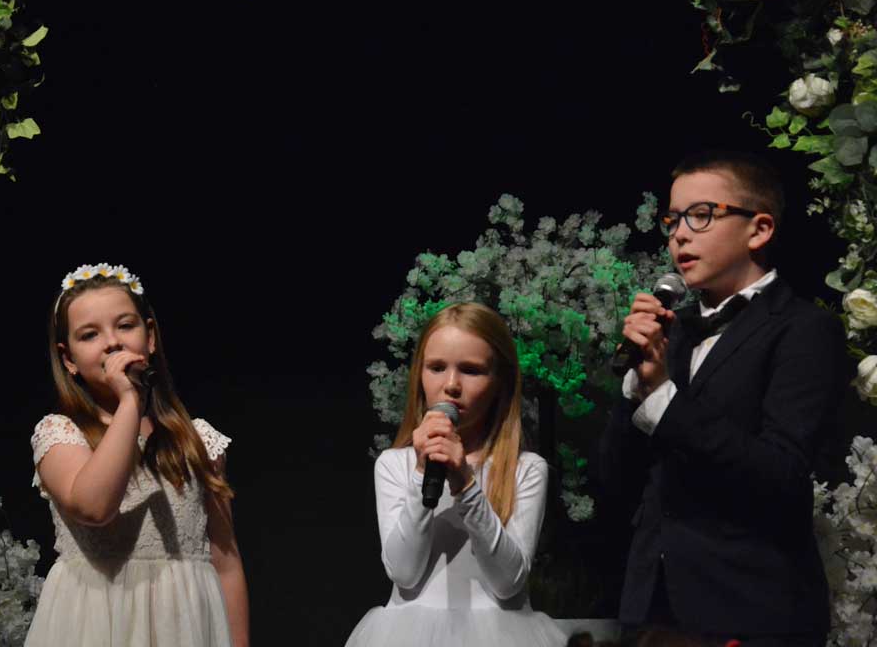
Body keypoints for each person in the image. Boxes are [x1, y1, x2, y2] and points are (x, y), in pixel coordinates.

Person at [597, 150, 851, 645]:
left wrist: (664, 401)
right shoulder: (671, 335)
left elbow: (781, 475)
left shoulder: (803, 329)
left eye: (701, 215)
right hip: (651, 609)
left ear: (759, 229)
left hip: (751, 609)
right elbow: (614, 482)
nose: (680, 234)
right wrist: (635, 389)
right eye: (672, 220)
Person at [26, 263, 249, 647]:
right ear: (68, 359)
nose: (112, 342)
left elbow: (226, 563)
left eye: (125, 326)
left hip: (181, 626)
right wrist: (130, 401)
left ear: (150, 337)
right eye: (90, 334)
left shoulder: (196, 439)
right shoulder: (60, 433)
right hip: (96, 626)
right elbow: (94, 507)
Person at [345, 302, 565, 647]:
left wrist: (466, 485)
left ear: (500, 381)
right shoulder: (394, 465)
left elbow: (508, 582)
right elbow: (404, 572)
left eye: (471, 370)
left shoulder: (525, 469)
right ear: (419, 375)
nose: (451, 385)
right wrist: (422, 472)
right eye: (436, 367)